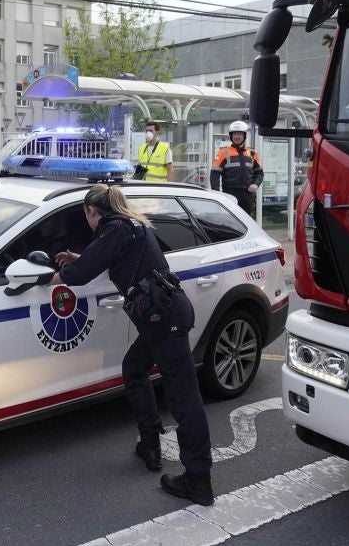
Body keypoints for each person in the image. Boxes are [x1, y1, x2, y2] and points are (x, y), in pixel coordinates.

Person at [52, 184, 214, 505]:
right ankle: (150, 443)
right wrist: (81, 257)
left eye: (86, 215)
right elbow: (111, 258)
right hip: (163, 316)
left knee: (184, 401)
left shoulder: (115, 227)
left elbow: (82, 274)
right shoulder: (128, 224)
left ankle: (198, 480)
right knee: (134, 368)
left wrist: (47, 279)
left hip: (164, 318)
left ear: (91, 211)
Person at [210, 120, 263, 216]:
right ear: (231, 136)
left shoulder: (252, 153)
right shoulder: (223, 152)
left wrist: (256, 184)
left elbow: (259, 173)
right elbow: (214, 174)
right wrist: (216, 194)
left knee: (247, 222)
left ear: (245, 136)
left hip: (248, 196)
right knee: (231, 222)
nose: (236, 137)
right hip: (230, 195)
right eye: (234, 134)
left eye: (239, 134)